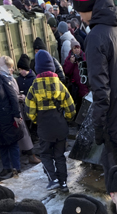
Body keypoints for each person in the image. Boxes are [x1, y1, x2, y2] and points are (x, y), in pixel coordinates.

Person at [73, 0, 117, 172]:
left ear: (90, 9)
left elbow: (100, 90)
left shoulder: (96, 36)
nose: (80, 17)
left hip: (114, 119)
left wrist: (99, 127)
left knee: (116, 176)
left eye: (81, 12)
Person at [26, 49, 77, 191]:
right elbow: (71, 108)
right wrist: (65, 118)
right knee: (60, 156)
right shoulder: (60, 85)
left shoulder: (33, 87)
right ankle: (64, 183)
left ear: (37, 69)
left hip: (44, 128)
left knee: (46, 154)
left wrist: (38, 121)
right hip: (60, 126)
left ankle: (53, 179)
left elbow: (29, 111)